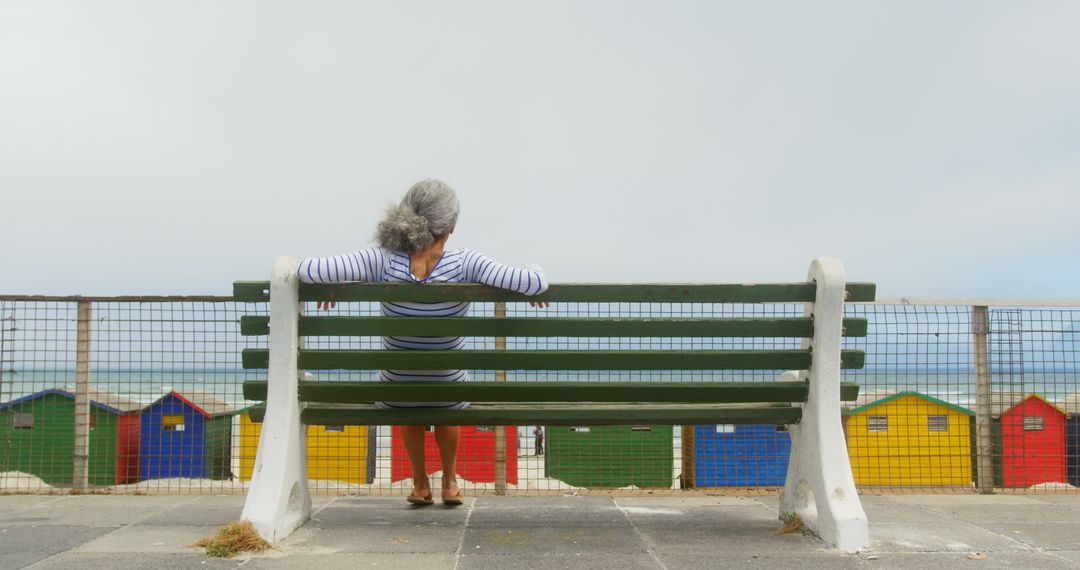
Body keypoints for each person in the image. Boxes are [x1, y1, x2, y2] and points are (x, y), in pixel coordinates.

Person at [295, 179, 548, 506]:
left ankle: (419, 481)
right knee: (448, 388)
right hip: (450, 391)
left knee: (404, 389)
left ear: (405, 218)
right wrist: (531, 272)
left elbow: (306, 270)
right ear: (451, 227)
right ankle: (450, 480)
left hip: (396, 392)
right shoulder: (465, 263)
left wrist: (335, 284)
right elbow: (534, 282)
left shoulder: (382, 259)